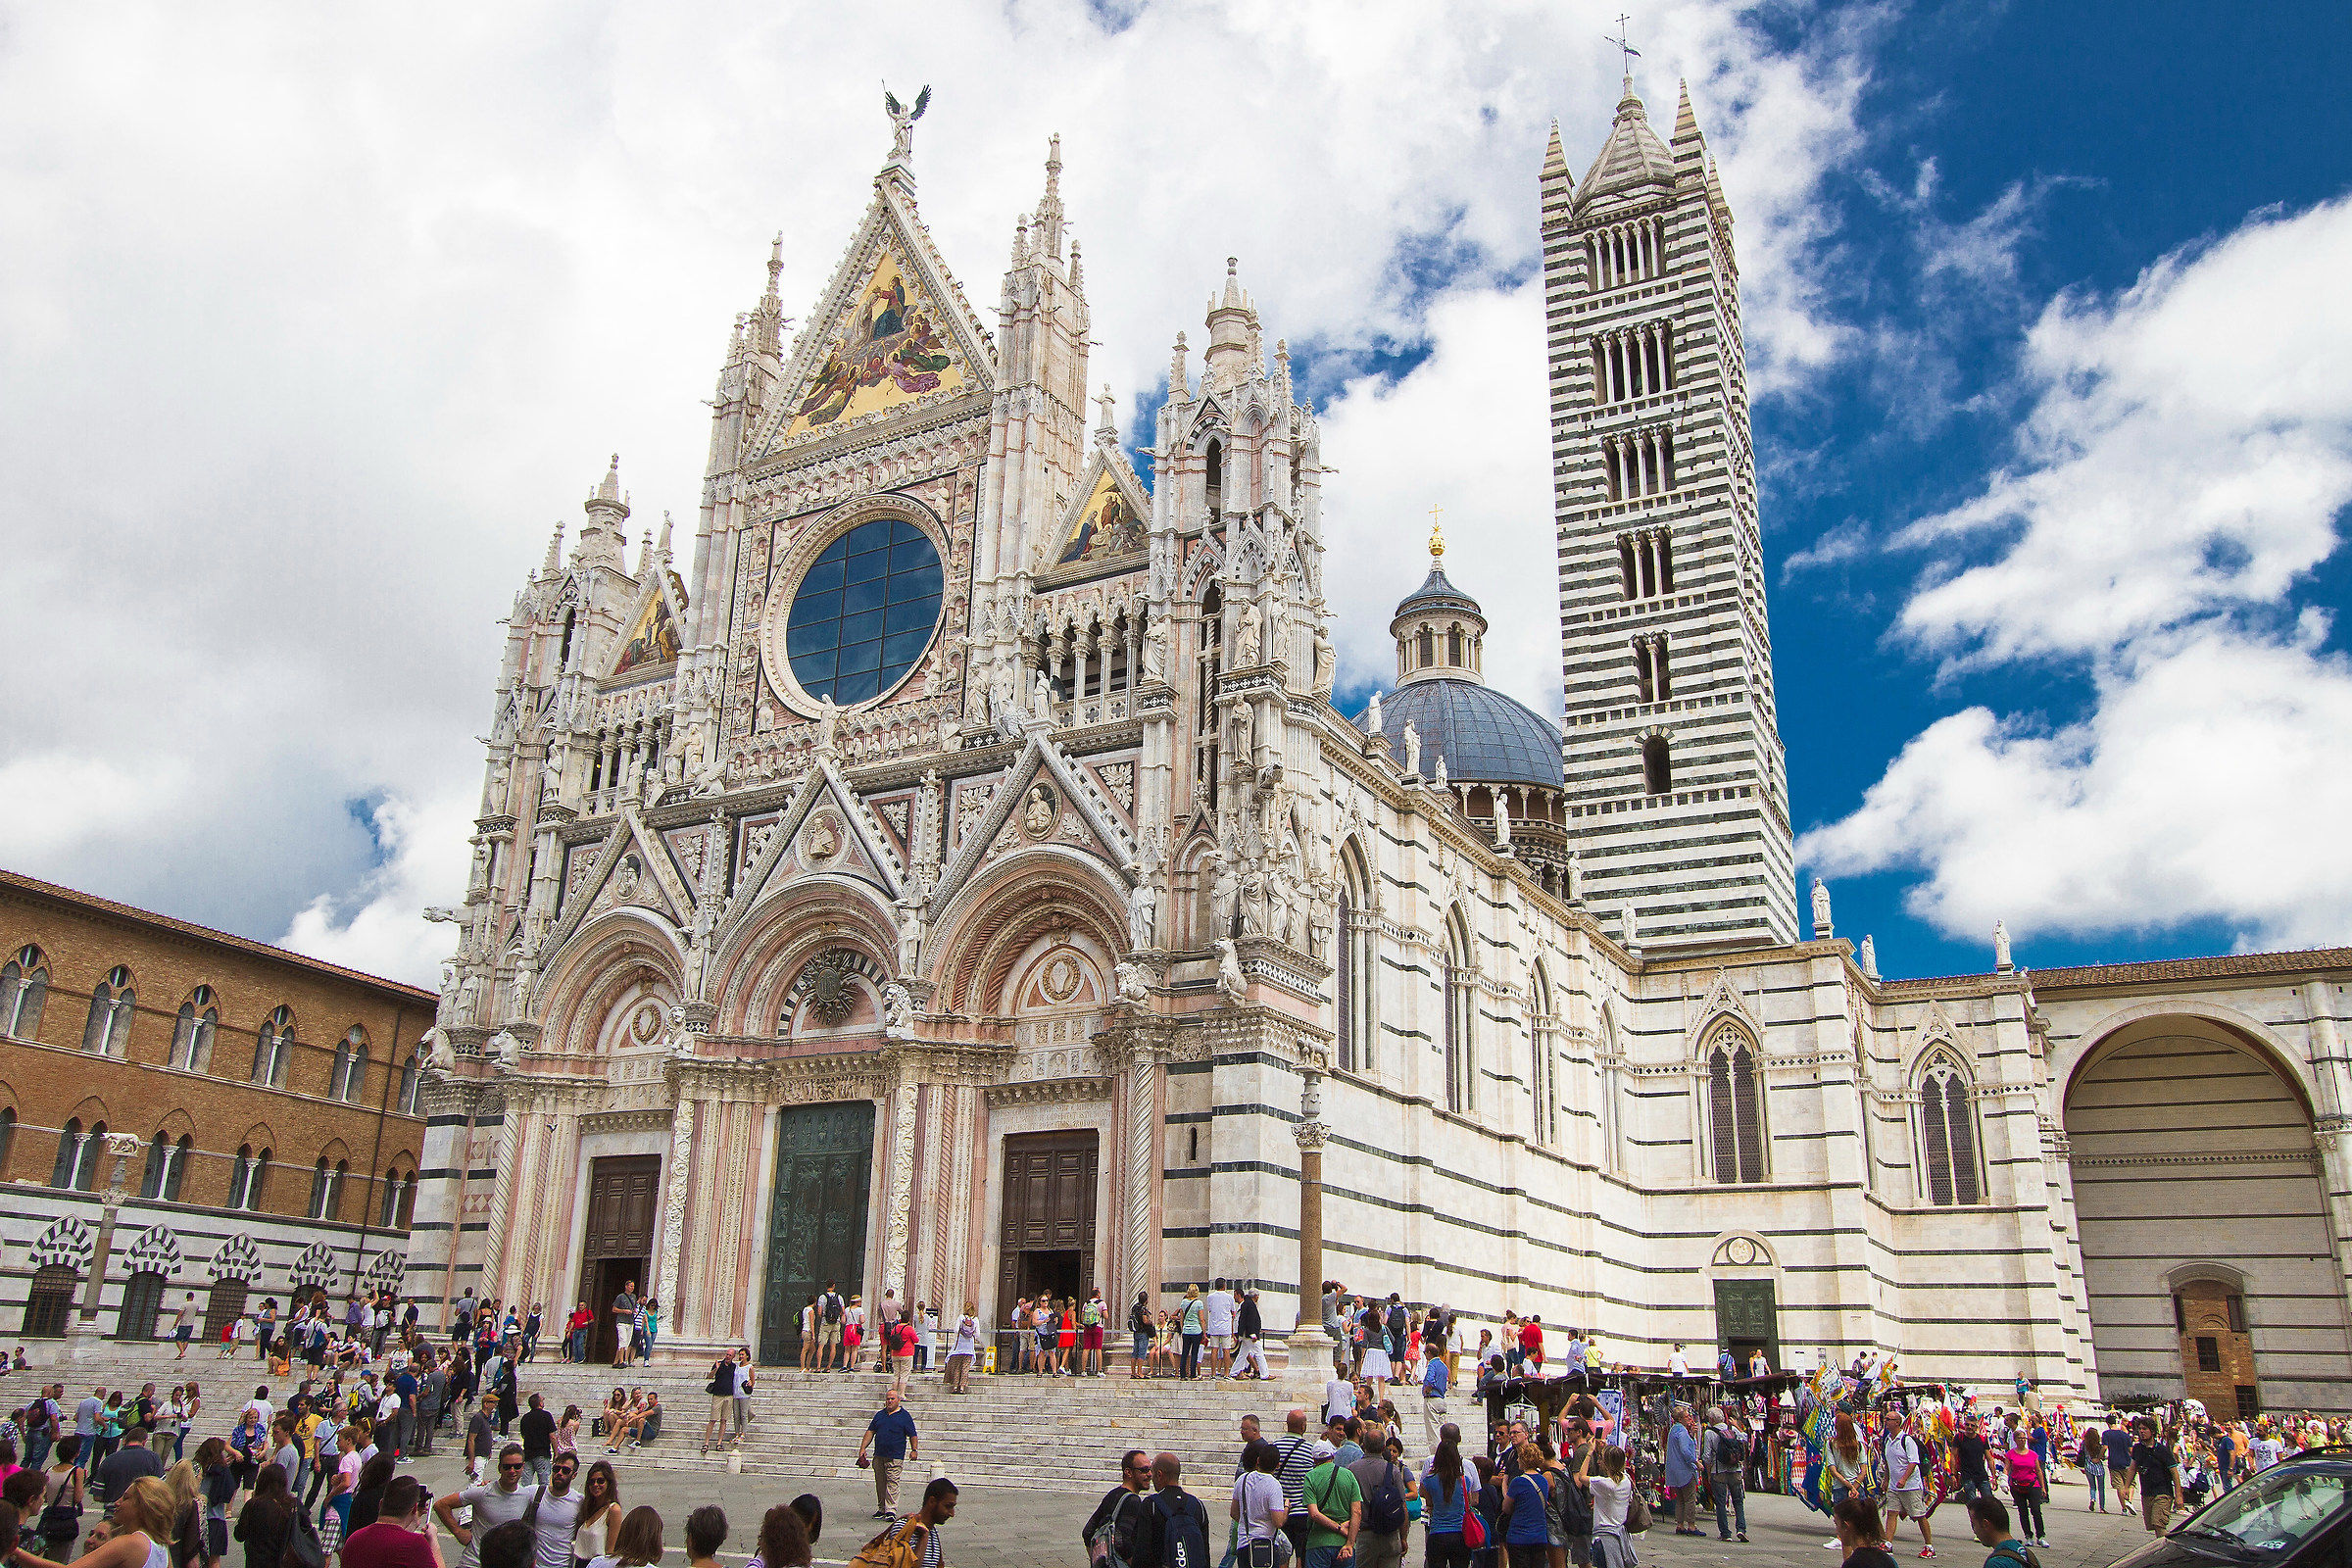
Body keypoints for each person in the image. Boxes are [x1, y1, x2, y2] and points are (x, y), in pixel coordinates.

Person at [435, 1445, 534, 1568]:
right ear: (499, 1468)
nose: (512, 1471)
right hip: (473, 1563)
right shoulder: (482, 1492)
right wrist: (458, 1532)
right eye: (507, 1467)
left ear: (523, 1467)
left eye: (517, 1466)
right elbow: (441, 1505)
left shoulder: (527, 1495)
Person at [340, 1475, 437, 1568]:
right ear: (414, 1508)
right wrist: (433, 1541)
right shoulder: (414, 1544)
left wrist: (414, 1522)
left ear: (381, 1503)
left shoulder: (354, 1539)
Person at [1082, 1450, 1152, 1566]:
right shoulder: (1133, 1501)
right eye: (1144, 1470)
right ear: (1128, 1472)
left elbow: (1087, 1532)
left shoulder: (1112, 1494)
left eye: (1150, 1469)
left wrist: (1098, 1561)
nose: (1149, 1474)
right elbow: (1121, 1541)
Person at [858, 1389, 917, 1521]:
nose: (889, 1401)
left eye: (892, 1399)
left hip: (895, 1456)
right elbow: (870, 1432)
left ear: (898, 1400)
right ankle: (882, 1508)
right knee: (880, 1483)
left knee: (892, 1482)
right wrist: (863, 1448)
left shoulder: (904, 1416)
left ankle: (891, 1510)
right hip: (879, 1454)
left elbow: (913, 1434)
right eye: (888, 1399)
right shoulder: (880, 1415)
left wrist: (914, 1450)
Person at [1883, 1412, 1934, 1558]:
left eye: (1889, 1419)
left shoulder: (1907, 1440)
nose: (1886, 1421)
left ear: (1897, 1422)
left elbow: (1913, 1462)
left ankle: (1929, 1546)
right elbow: (1888, 1462)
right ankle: (1888, 1543)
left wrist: (1904, 1479)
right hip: (1894, 1486)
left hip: (1910, 1485)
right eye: (1886, 1419)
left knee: (1919, 1515)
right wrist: (1886, 1480)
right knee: (1892, 1513)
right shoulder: (1888, 1440)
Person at [1233, 1439, 1289, 1568]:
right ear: (1277, 1465)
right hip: (1267, 1546)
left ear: (1258, 1461)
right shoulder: (1274, 1485)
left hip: (1244, 1544)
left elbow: (1234, 1512)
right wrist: (1286, 1508)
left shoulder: (1242, 1479)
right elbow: (1278, 1522)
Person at [1705, 1403, 1751, 1544]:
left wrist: (1708, 1472)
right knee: (1738, 1501)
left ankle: (1725, 1533)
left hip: (1718, 1471)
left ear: (1712, 1420)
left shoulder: (1709, 1432)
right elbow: (1745, 1438)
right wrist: (1737, 1426)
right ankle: (1741, 1529)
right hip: (1735, 1470)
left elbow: (1707, 1456)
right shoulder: (1731, 1429)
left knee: (1720, 1502)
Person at [1500, 1442, 1549, 1568]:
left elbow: (1506, 1507)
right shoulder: (1544, 1480)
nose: (1517, 1460)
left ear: (1524, 1459)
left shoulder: (1518, 1481)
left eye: (1519, 1457)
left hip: (1519, 1537)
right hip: (1539, 1536)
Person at [2132, 1417, 2181, 1535]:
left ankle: (2168, 1549)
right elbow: (2132, 1468)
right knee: (2153, 1525)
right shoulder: (2138, 1449)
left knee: (2159, 1523)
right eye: (2140, 1429)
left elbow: (2174, 1473)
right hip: (2147, 1493)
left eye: (2145, 1429)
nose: (2142, 1431)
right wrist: (2126, 1487)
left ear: (2152, 1431)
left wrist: (2178, 1496)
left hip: (2163, 1492)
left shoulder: (2162, 1450)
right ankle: (2163, 1546)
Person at [2005, 1431, 2047, 1546]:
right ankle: (2028, 1536)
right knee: (2023, 1511)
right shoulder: (2011, 1454)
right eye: (2020, 1438)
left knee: (2036, 1510)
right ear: (2015, 1440)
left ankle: (2041, 1536)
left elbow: (2038, 1471)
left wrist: (2043, 1487)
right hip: (2017, 1486)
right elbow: (2007, 1468)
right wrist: (2003, 1480)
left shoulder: (2033, 1454)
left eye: (2024, 1438)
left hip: (2033, 1485)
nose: (2023, 1440)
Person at [1666, 1405, 1702, 1536]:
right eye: (1687, 1416)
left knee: (1680, 1499)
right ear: (1680, 1418)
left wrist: (1691, 1435)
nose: (1689, 1419)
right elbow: (1685, 1450)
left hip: (1675, 1470)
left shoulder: (1673, 1430)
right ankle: (1691, 1525)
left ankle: (1680, 1524)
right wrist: (1695, 1462)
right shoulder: (1681, 1431)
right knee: (1689, 1498)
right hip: (1685, 1470)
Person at [1965, 1495, 2030, 1568]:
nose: (1974, 1531)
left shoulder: (1996, 1564)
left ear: (1985, 1524)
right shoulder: (2028, 1555)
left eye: (1973, 1524)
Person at [1836, 1495, 1896, 1568]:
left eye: (1837, 1524)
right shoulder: (1888, 1560)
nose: (1837, 1531)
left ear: (1847, 1526)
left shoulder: (1853, 1563)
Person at [2101, 1420, 2136, 1512]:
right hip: (2127, 1462)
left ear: (2108, 1424)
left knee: (2119, 1486)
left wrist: (2099, 1457)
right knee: (2131, 1484)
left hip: (2114, 1463)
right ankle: (2129, 1501)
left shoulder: (2106, 1434)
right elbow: (2130, 1450)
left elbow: (2105, 1447)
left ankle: (2124, 1508)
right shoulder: (2125, 1434)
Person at [946, 1306, 978, 1396]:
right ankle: (962, 1388)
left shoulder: (961, 1317)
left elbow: (956, 1330)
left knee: (957, 1367)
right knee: (965, 1368)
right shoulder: (975, 1320)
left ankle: (955, 1387)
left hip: (959, 1347)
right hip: (969, 1348)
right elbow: (978, 1334)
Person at [2076, 1421, 2106, 1514]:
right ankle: (2102, 1507)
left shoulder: (2084, 1443)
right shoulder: (2098, 1444)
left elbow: (2081, 1454)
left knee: (2092, 1486)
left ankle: (2093, 1499)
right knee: (2101, 1488)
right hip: (2099, 1467)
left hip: (2088, 1466)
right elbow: (2103, 1456)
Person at [609, 1284, 638, 1371]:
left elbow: (634, 1307)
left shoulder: (633, 1297)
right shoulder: (620, 1297)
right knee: (623, 1340)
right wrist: (623, 1311)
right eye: (630, 1286)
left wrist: (633, 1311)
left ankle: (615, 1362)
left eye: (633, 1286)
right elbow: (614, 1309)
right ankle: (621, 1361)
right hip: (621, 1321)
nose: (632, 1288)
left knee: (626, 1342)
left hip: (630, 1322)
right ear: (626, 1286)